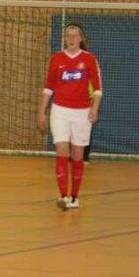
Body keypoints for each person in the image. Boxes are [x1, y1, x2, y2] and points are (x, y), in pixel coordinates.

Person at [37, 22, 102, 210]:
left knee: (77, 155)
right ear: (65, 38)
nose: (71, 39)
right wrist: (41, 111)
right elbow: (48, 88)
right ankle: (63, 196)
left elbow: (97, 89)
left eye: (75, 35)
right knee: (61, 152)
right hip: (60, 111)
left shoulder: (89, 59)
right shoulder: (56, 59)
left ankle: (74, 197)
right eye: (68, 35)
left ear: (81, 38)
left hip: (82, 112)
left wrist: (94, 108)